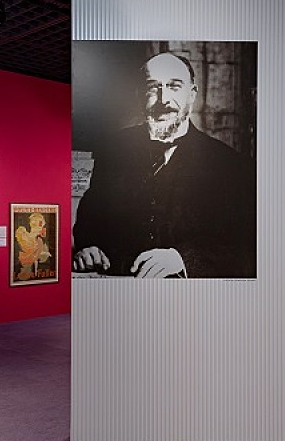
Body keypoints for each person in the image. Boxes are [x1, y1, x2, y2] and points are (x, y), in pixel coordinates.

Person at [72, 52, 255, 278]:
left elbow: (242, 246)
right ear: (139, 95)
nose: (163, 100)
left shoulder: (228, 163)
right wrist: (88, 248)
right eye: (153, 87)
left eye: (174, 87)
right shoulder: (114, 149)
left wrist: (183, 259)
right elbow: (90, 218)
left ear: (192, 94)